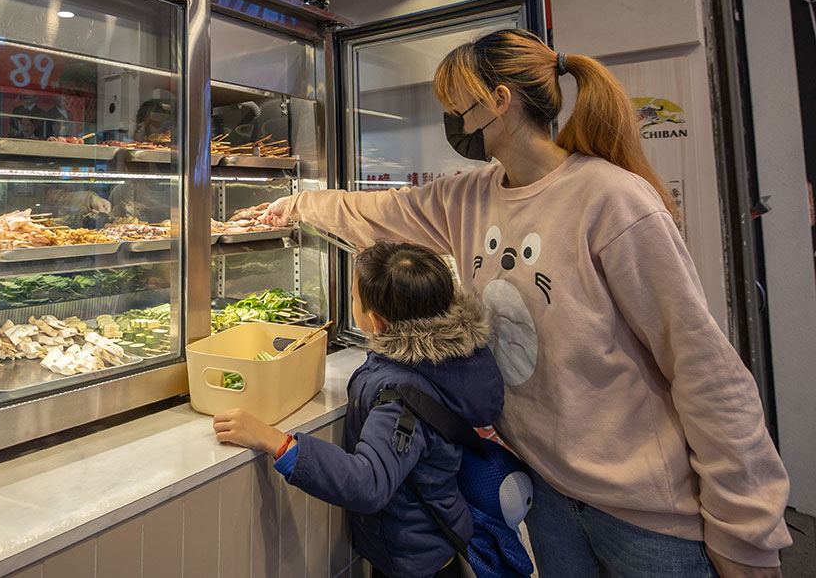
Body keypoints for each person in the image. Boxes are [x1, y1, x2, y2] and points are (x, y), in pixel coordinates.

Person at [256, 29, 791, 576]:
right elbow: (377, 212)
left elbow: (703, 366)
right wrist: (294, 205)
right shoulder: (470, 195)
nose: (452, 121)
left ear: (498, 101)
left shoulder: (612, 200)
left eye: (456, 106)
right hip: (550, 494)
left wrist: (746, 529)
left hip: (646, 514)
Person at [213, 241, 504, 578]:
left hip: (414, 559)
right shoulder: (449, 363)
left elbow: (368, 483)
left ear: (377, 322)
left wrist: (276, 441)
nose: (351, 301)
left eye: (353, 297)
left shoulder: (400, 398)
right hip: (425, 545)